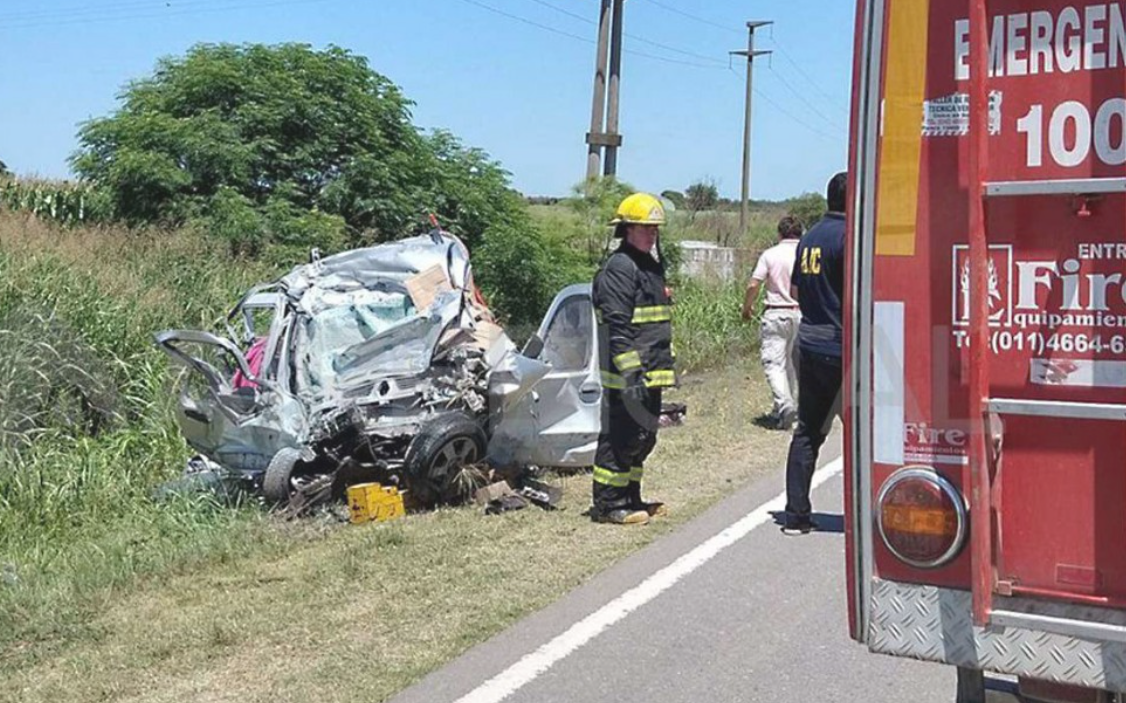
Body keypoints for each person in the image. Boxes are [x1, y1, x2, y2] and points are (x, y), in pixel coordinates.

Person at [591, 193, 677, 525]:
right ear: (626, 229)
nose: (651, 234)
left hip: (651, 372)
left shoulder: (649, 265)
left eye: (655, 229)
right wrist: (631, 372)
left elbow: (653, 323)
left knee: (643, 438)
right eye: (645, 228)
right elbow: (618, 326)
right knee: (620, 438)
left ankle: (631, 497)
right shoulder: (619, 267)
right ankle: (609, 505)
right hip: (627, 375)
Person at [783, 172, 848, 535]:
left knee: (807, 431)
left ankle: (796, 516)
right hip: (842, 347)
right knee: (861, 436)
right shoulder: (848, 237)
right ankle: (862, 516)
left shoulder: (808, 238)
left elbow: (795, 289)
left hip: (809, 342)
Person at [743, 215, 803, 431]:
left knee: (773, 364)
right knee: (791, 364)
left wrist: (747, 307)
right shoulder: (806, 253)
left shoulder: (770, 254)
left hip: (776, 313)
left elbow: (753, 284)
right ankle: (785, 407)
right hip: (800, 313)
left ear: (780, 234)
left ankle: (784, 404)